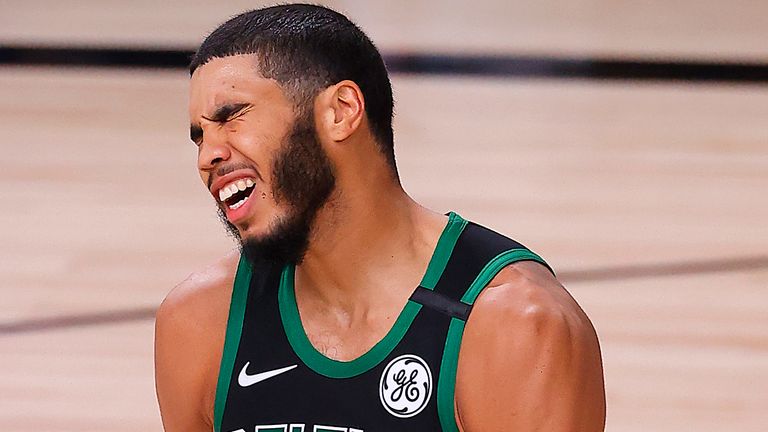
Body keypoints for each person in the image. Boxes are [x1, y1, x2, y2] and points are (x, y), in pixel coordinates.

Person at [154, 4, 606, 432]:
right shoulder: (201, 322)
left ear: (341, 111)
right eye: (199, 136)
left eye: (232, 117)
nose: (208, 156)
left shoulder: (515, 326)